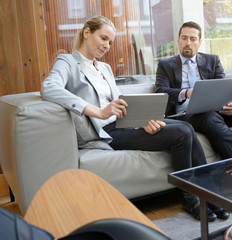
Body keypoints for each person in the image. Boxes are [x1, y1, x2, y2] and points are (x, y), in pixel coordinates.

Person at [41, 16, 222, 222]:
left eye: (110, 42)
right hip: (106, 131)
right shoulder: (67, 62)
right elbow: (49, 88)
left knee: (185, 128)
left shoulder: (105, 68)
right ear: (86, 33)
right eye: (103, 38)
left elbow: (120, 102)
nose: (107, 46)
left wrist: (144, 118)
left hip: (124, 123)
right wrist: (98, 111)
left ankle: (209, 195)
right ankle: (191, 198)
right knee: (181, 133)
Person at [155, 21, 232, 160]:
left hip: (217, 111)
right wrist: (186, 93)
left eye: (193, 39)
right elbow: (161, 91)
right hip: (186, 115)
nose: (188, 42)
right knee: (209, 117)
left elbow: (224, 88)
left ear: (199, 42)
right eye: (184, 38)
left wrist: (230, 103)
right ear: (178, 40)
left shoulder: (212, 60)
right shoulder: (165, 65)